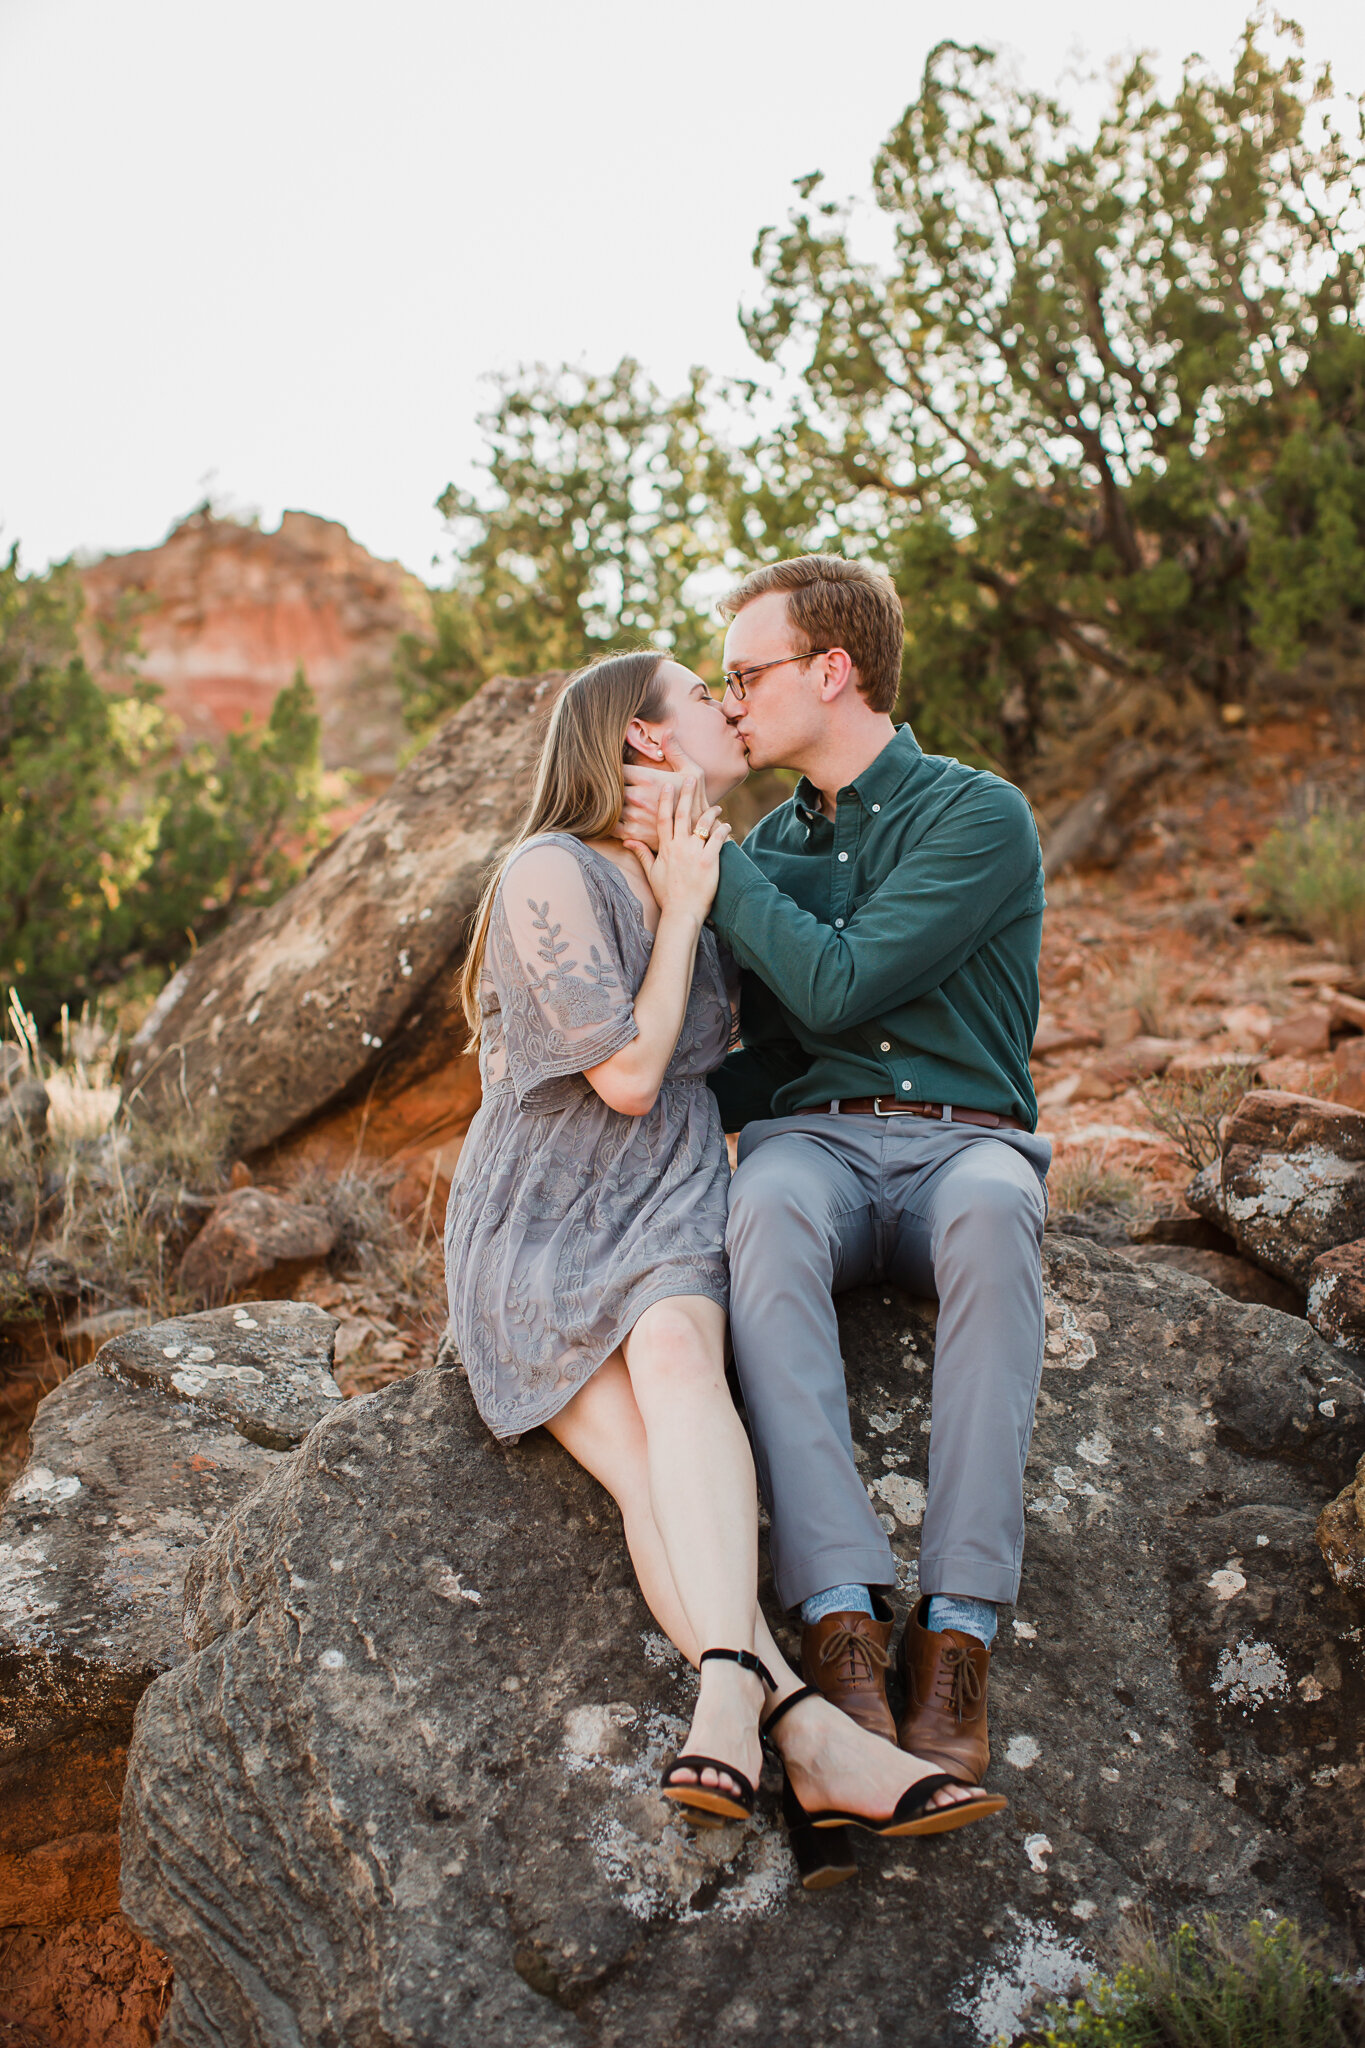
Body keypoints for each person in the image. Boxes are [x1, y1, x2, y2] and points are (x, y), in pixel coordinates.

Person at [444, 648, 1005, 1884]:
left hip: (673, 1188)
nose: (730, 706)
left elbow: (781, 1035)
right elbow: (629, 1075)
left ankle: (737, 1715)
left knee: (682, 1369)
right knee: (643, 1470)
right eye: (704, 692)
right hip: (543, 1213)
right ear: (646, 739)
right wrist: (691, 899)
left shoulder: (715, 858)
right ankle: (798, 1725)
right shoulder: (550, 869)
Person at [620, 557, 1050, 1786]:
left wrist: (715, 864)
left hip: (968, 1142)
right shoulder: (765, 843)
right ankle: (839, 1614)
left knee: (996, 1216)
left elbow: (839, 984)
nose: (730, 702)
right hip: (817, 1144)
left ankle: (958, 1627)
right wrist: (631, 1119)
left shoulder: (978, 815)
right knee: (761, 1203)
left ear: (833, 670)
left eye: (744, 674)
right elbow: (767, 1051)